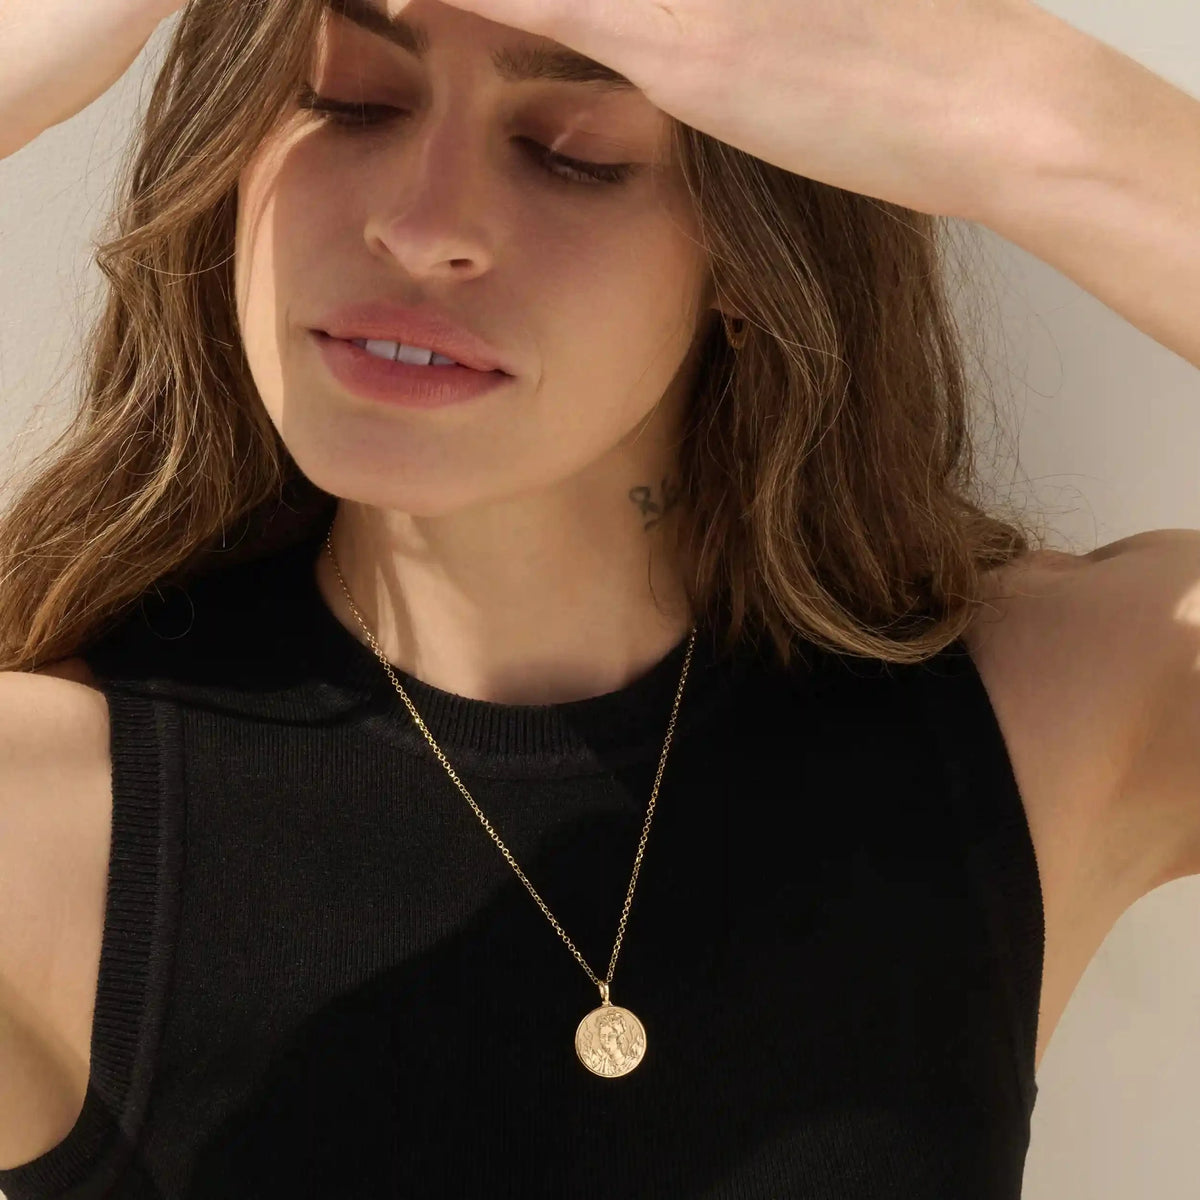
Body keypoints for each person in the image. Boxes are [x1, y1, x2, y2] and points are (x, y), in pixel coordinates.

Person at [1, 1, 1197, 1197]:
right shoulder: (49, 827)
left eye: (573, 154)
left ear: (752, 250)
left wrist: (1025, 116)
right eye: (347, 99)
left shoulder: (1047, 720)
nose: (421, 229)